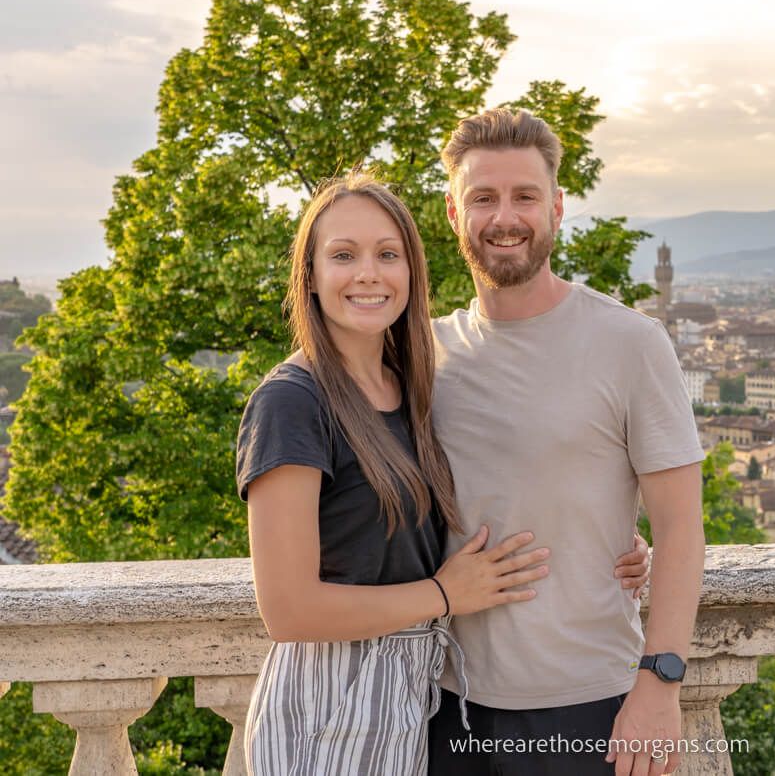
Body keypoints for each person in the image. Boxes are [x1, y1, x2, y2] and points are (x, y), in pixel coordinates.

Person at [236, 173, 648, 774]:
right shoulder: (293, 401)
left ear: (412, 271)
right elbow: (289, 610)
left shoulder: (409, 384)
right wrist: (445, 595)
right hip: (328, 704)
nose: (368, 274)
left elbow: (504, 474)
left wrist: (607, 542)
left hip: (413, 698)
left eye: (388, 254)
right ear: (311, 276)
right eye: (343, 255)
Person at [427, 108, 706, 776]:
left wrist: (660, 683)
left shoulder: (630, 343)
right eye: (483, 198)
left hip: (589, 708)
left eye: (525, 196)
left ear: (556, 208)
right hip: (439, 705)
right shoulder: (422, 352)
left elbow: (681, 529)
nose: (505, 218)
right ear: (452, 213)